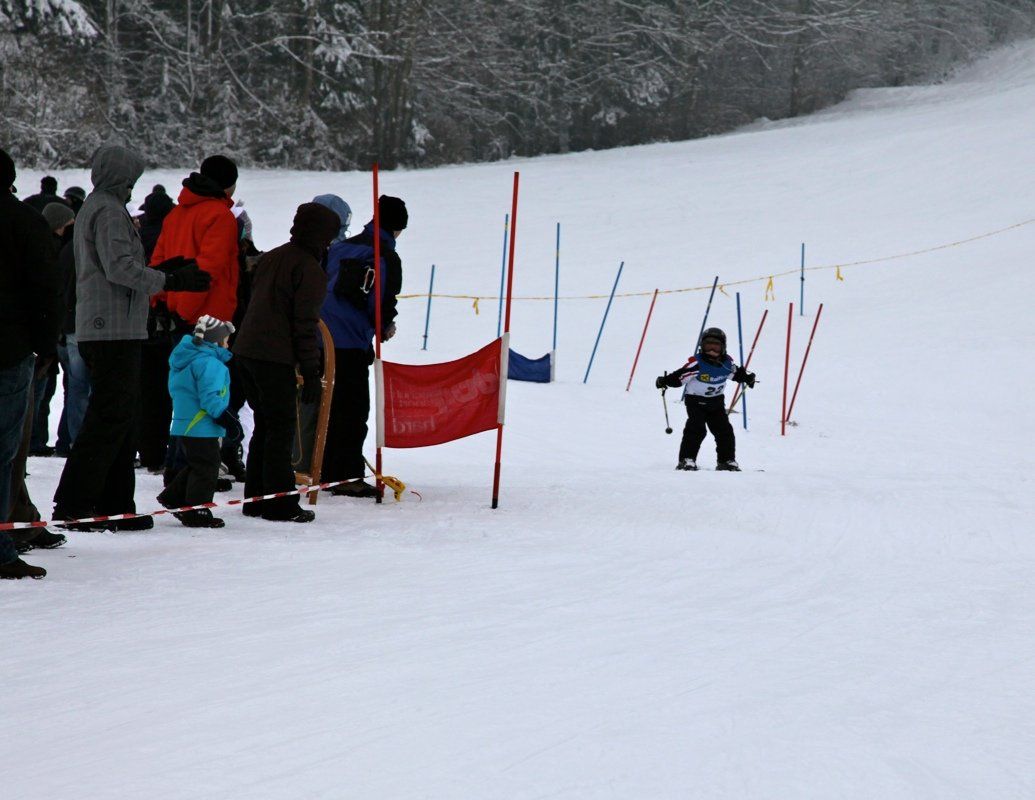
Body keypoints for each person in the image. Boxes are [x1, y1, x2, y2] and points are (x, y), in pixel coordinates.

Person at [52, 143, 212, 531]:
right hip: (111, 329)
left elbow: (120, 263)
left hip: (112, 326)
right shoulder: (107, 209)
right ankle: (75, 504)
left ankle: (115, 503)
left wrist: (165, 268)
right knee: (108, 418)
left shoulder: (100, 206)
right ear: (120, 177)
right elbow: (119, 268)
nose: (133, 187)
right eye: (131, 180)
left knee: (121, 419)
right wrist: (170, 279)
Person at [233, 202, 340, 523]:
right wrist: (311, 370)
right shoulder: (309, 269)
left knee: (265, 426)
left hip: (247, 350)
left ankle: (256, 499)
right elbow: (304, 325)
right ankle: (280, 504)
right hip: (272, 356)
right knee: (280, 430)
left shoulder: (273, 257)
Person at [0, 148, 62, 578]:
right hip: (9, 351)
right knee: (4, 452)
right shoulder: (23, 221)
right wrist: (44, 346)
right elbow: (46, 289)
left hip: (13, 347)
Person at [319, 195, 406, 498]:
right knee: (352, 410)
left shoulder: (340, 246)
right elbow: (382, 301)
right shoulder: (384, 255)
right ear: (397, 228)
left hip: (319, 335)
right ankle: (345, 476)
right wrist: (384, 327)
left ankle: (324, 468)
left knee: (327, 406)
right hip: (349, 340)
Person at [157, 316, 240, 528]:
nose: (227, 344)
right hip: (202, 425)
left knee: (198, 463)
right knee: (208, 466)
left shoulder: (187, 359)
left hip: (186, 424)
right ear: (215, 342)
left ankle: (174, 497)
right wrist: (228, 419)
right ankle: (197, 511)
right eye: (226, 340)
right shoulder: (210, 363)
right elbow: (210, 397)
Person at [656, 328, 756, 472]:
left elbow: (737, 374)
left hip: (716, 402)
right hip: (695, 401)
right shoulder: (697, 364)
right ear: (702, 346)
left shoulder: (727, 364)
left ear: (723, 347)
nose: (712, 350)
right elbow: (679, 377)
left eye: (716, 346)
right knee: (696, 429)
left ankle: (726, 461)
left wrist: (747, 378)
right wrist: (665, 381)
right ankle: (687, 460)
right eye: (708, 345)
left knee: (724, 430)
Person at [136, 186, 177, 472]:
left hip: (138, 321)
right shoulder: (169, 237)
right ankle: (159, 452)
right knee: (164, 394)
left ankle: (145, 449)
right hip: (164, 324)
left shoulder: (138, 237)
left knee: (144, 392)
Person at [50, 203, 90, 456]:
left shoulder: (65, 250)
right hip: (77, 326)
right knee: (80, 389)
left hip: (65, 328)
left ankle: (68, 441)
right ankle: (78, 442)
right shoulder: (81, 250)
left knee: (73, 388)